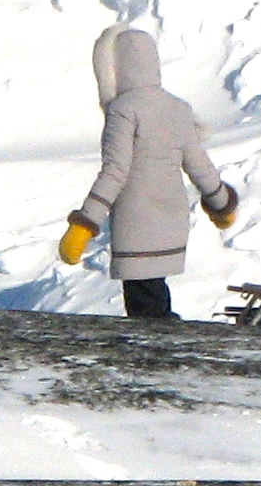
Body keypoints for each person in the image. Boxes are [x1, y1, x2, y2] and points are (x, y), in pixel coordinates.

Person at [60, 26, 239, 320]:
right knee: (155, 294)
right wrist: (221, 204)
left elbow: (114, 171)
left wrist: (84, 224)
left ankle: (159, 345)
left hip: (138, 222)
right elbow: (199, 165)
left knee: (144, 306)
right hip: (172, 219)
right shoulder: (178, 108)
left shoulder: (123, 110)